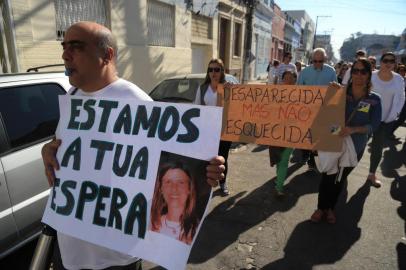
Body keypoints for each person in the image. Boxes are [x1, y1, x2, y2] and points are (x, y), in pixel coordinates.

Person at [41, 21, 226, 270]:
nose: (65, 54)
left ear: (107, 54)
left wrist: (206, 172)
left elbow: (173, 169)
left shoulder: (137, 103)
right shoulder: (73, 100)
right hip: (69, 253)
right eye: (64, 46)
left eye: (76, 46)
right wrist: (48, 149)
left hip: (116, 259)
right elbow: (60, 145)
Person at [311, 58, 382, 224]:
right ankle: (321, 208)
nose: (358, 75)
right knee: (328, 175)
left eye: (363, 71)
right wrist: (330, 93)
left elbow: (375, 125)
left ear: (369, 75)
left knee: (340, 178)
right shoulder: (341, 91)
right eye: (355, 71)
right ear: (351, 73)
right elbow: (325, 113)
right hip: (333, 138)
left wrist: (353, 130)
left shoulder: (375, 99)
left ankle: (330, 209)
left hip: (355, 145)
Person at [194, 58, 232, 196]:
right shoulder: (202, 88)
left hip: (224, 131)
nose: (213, 73)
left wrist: (230, 92)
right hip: (207, 130)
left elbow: (236, 108)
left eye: (216, 69)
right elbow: (196, 108)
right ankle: (206, 184)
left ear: (222, 71)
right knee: (206, 158)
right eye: (210, 69)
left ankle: (223, 183)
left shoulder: (228, 87)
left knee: (222, 158)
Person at [367, 52, 405, 187]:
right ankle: (345, 169)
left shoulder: (398, 79)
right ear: (380, 62)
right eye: (385, 61)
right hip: (367, 118)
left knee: (377, 149)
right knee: (357, 146)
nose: (388, 63)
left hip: (386, 120)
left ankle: (371, 174)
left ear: (394, 64)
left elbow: (401, 98)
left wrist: (395, 114)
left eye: (391, 61)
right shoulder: (371, 76)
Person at [297, 48, 337, 171]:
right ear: (312, 60)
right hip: (307, 110)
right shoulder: (305, 72)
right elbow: (298, 89)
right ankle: (308, 158)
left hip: (323, 111)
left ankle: (315, 157)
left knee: (319, 136)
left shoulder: (331, 71)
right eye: (315, 61)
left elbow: (335, 90)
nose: (317, 63)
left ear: (325, 59)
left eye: (320, 61)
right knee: (307, 135)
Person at [150, 162, 198, 245]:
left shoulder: (198, 227)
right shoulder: (151, 223)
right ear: (161, 189)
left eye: (181, 182)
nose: (174, 188)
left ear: (189, 189)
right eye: (168, 182)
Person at [269, 70, 297, 197]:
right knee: (278, 159)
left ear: (295, 81)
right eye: (286, 78)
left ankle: (279, 187)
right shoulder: (275, 93)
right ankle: (278, 178)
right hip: (276, 131)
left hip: (291, 133)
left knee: (284, 160)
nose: (288, 81)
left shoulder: (301, 95)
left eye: (291, 79)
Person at [392, 64, 406, 136]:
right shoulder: (395, 79)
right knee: (401, 119)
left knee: (401, 118)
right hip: (399, 102)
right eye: (401, 70)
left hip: (404, 101)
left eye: (404, 70)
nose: (403, 72)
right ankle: (390, 131)